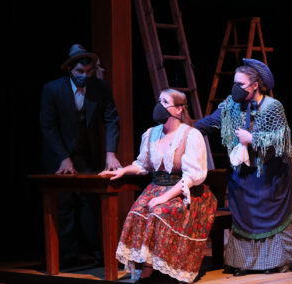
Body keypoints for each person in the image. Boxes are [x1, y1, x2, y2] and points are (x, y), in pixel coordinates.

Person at [194, 58, 292, 276]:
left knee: (275, 215)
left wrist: (252, 138)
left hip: (271, 173)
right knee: (245, 216)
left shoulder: (273, 107)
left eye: (241, 84)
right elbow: (209, 123)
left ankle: (281, 260)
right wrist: (185, 131)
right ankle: (245, 262)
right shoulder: (230, 106)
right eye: (235, 82)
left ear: (255, 85)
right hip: (244, 172)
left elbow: (281, 141)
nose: (236, 88)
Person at [99, 89, 217, 284]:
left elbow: (192, 176)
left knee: (159, 211)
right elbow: (142, 164)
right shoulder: (150, 134)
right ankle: (148, 265)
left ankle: (163, 268)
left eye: (165, 102)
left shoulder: (191, 135)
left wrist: (165, 197)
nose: (159, 106)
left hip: (185, 191)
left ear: (179, 109)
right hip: (156, 186)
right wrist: (122, 171)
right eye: (159, 101)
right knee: (137, 211)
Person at [40, 44, 121, 267]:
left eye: (89, 72)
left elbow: (112, 119)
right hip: (59, 153)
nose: (84, 76)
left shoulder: (100, 88)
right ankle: (66, 257)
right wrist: (64, 157)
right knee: (64, 203)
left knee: (90, 203)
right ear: (69, 70)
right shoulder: (53, 89)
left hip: (87, 154)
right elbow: (48, 126)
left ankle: (98, 253)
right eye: (79, 72)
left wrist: (110, 153)